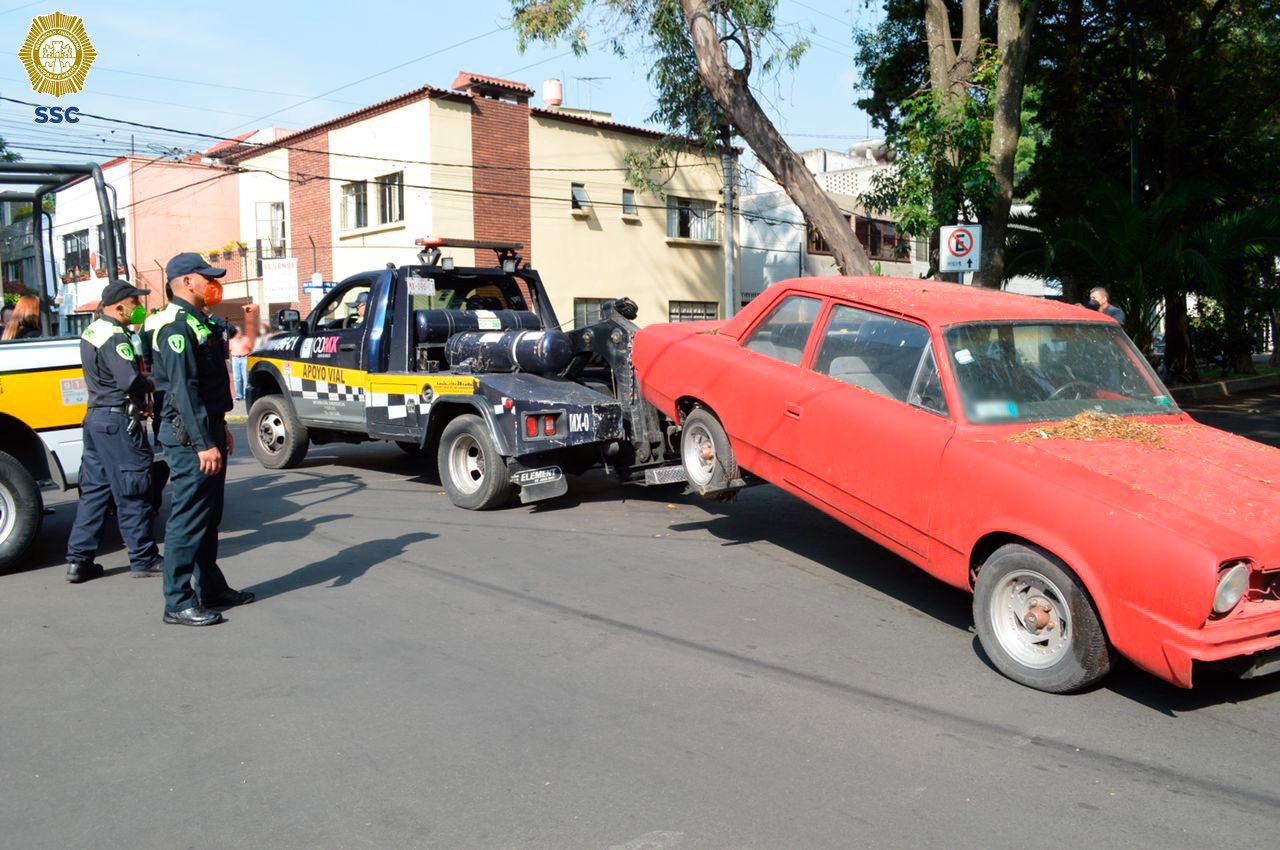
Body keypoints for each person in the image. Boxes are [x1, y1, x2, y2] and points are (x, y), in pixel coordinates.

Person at [150, 253, 254, 626]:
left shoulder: (198, 321)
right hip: (188, 435)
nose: (212, 283)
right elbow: (182, 391)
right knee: (188, 518)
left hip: (206, 427)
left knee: (208, 516)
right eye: (205, 277)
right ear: (186, 282)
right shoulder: (175, 327)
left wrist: (219, 426)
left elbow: (207, 389)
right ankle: (177, 602)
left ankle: (210, 587)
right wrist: (201, 443)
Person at [64, 280, 164, 582]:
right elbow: (129, 381)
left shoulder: (92, 330)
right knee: (133, 488)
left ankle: (79, 561)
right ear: (119, 306)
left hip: (96, 419)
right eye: (135, 303)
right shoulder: (114, 335)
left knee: (95, 492)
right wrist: (154, 381)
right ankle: (143, 558)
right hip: (118, 421)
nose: (139, 309)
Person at [228, 321, 252, 400]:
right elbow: (229, 349)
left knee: (245, 377)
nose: (238, 333)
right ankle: (239, 396)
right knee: (237, 378)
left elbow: (250, 349)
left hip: (244, 358)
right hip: (235, 359)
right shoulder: (231, 341)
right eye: (236, 332)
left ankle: (245, 396)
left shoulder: (246, 339)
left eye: (239, 331)